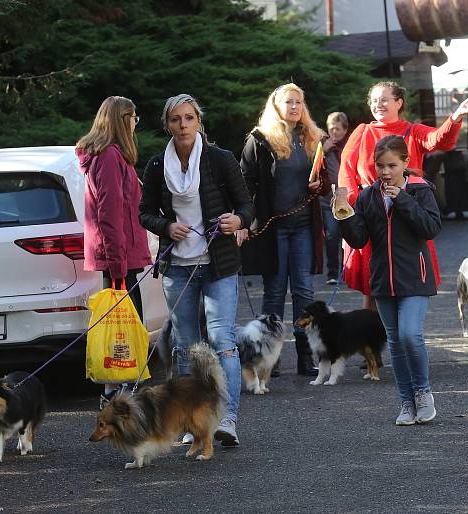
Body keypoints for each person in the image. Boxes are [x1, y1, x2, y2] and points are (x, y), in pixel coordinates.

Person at [139, 93, 255, 446]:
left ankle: (228, 418)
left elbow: (246, 205)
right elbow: (144, 212)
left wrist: (237, 220)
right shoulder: (157, 165)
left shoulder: (220, 159)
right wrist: (165, 227)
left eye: (189, 118)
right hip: (178, 267)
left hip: (218, 263)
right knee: (187, 346)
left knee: (223, 341)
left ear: (199, 122)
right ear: (168, 125)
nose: (183, 125)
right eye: (176, 120)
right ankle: (192, 422)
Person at [339, 80, 468, 311]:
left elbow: (440, 140)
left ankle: (405, 333)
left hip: (407, 212)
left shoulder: (413, 131)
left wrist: (456, 117)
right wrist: (353, 213)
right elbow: (346, 173)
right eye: (374, 100)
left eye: (384, 99)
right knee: (372, 286)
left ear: (398, 102)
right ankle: (374, 341)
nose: (378, 104)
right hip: (371, 214)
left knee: (408, 278)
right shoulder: (362, 132)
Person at [335, 135, 441, 425]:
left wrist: (402, 199)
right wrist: (343, 210)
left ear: (406, 163)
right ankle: (406, 402)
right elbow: (358, 239)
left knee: (410, 334)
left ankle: (422, 392)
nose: (385, 172)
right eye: (380, 165)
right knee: (394, 341)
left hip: (415, 277)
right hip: (382, 278)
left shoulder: (420, 190)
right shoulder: (369, 195)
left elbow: (430, 227)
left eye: (392, 165)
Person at [239, 83, 328, 377]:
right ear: (276, 106)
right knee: (275, 292)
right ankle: (270, 358)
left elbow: (324, 181)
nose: (294, 107)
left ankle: (306, 357)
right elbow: (245, 184)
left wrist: (320, 185)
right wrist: (242, 221)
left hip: (303, 225)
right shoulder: (260, 140)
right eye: (288, 102)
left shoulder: (311, 137)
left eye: (298, 102)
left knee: (303, 289)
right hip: (273, 226)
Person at [76, 96, 153, 410]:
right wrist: (119, 264)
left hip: (121, 255)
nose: (136, 123)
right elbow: (109, 214)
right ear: (124, 120)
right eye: (134, 118)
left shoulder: (115, 156)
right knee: (126, 326)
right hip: (119, 257)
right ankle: (119, 396)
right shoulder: (109, 156)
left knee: (122, 326)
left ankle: (117, 390)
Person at [321, 112, 348, 285]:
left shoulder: (349, 145)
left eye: (338, 129)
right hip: (327, 199)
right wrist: (323, 151)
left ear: (345, 130)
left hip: (346, 197)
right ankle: (332, 272)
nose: (334, 133)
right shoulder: (323, 145)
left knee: (348, 235)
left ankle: (348, 270)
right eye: (331, 129)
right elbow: (313, 167)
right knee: (331, 235)